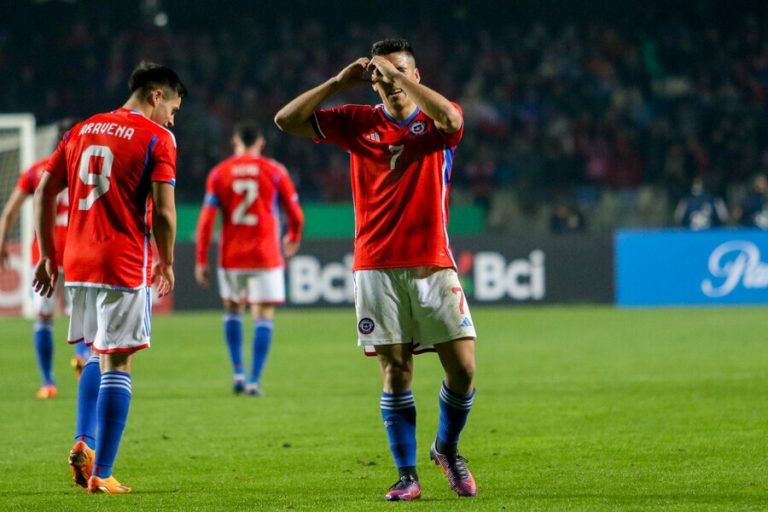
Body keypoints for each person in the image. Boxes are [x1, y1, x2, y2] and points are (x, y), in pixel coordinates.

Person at [275, 38, 477, 501]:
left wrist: (396, 74)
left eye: (400, 72)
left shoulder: (437, 120)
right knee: (395, 370)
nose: (390, 83)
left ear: (416, 74)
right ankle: (407, 476)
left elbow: (452, 120)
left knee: (463, 369)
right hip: (376, 266)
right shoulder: (357, 122)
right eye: (380, 76)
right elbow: (286, 121)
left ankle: (446, 448)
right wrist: (337, 82)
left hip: (432, 263)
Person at [33, 61, 185, 494]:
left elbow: (45, 190)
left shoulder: (81, 129)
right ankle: (103, 473)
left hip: (77, 261)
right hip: (120, 259)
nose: (172, 119)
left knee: (97, 354)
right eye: (172, 108)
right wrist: (166, 260)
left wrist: (48, 255)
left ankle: (86, 439)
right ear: (157, 95)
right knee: (119, 361)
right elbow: (167, 211)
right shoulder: (157, 136)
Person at [194, 122, 304, 396]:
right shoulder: (275, 171)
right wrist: (293, 235)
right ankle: (255, 379)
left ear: (235, 142)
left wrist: (200, 259)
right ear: (261, 143)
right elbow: (296, 213)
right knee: (263, 315)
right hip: (265, 254)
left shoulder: (220, 173)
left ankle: (238, 372)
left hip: (232, 255)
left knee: (232, 310)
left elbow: (206, 221)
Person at [0, 122, 91, 399]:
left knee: (43, 317)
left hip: (44, 256)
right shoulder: (87, 170)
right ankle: (83, 369)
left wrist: (3, 240)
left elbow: (10, 211)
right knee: (83, 319)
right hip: (78, 253)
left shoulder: (36, 171)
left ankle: (48, 381)